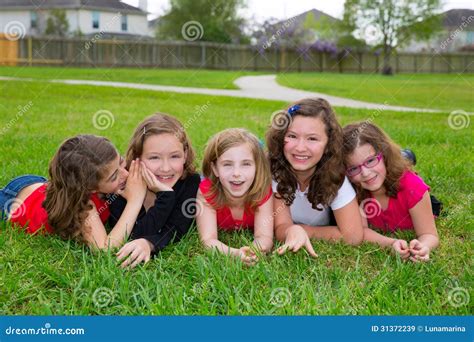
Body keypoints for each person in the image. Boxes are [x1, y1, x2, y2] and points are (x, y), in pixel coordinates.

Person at [0, 134, 147, 249]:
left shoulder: (88, 184)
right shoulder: (83, 206)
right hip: (14, 202)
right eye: (115, 176)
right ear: (91, 188)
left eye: (121, 162)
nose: (126, 174)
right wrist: (135, 200)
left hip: (38, 184)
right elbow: (104, 249)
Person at [266, 98, 364, 257]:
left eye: (312, 138)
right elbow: (281, 227)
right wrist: (292, 230)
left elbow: (352, 236)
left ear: (328, 144)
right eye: (292, 136)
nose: (300, 147)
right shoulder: (275, 170)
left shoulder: (335, 175)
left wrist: (303, 231)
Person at [109, 114, 201, 268]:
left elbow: (176, 228)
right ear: (138, 158)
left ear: (185, 155)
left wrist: (149, 244)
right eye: (154, 158)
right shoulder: (122, 185)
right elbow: (132, 235)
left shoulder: (190, 182)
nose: (165, 168)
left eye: (175, 156)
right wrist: (136, 198)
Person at [343, 122, 439, 262]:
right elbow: (361, 231)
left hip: (412, 190)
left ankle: (405, 156)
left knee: (402, 162)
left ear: (385, 155)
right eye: (353, 169)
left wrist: (424, 246)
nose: (365, 173)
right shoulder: (353, 189)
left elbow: (429, 234)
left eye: (370, 160)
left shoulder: (413, 187)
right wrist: (391, 243)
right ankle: (402, 155)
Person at [196, 128, 274, 266]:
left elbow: (265, 236)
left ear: (257, 167)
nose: (236, 173)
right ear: (215, 169)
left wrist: (253, 251)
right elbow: (208, 240)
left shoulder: (262, 191)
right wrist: (235, 253)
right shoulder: (207, 191)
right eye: (227, 164)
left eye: (246, 164)